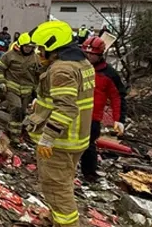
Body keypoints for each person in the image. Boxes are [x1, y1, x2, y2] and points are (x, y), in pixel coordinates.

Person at [24, 21, 95, 227]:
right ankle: (58, 220)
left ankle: (65, 223)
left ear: (52, 47)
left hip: (60, 142)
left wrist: (47, 138)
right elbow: (72, 99)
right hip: (77, 139)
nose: (38, 52)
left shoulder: (61, 70)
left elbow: (66, 109)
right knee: (63, 184)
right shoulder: (82, 64)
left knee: (56, 189)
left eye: (41, 48)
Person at [80, 36, 127, 183]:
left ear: (100, 55)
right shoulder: (77, 67)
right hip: (74, 112)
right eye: (86, 54)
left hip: (93, 117)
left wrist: (119, 119)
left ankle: (89, 174)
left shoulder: (109, 74)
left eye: (92, 54)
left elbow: (117, 97)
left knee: (88, 146)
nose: (88, 57)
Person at [0, 32, 40, 141]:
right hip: (11, 87)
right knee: (16, 107)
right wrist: (1, 82)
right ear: (20, 45)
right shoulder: (10, 55)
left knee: (23, 113)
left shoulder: (35, 58)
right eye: (26, 46)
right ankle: (13, 135)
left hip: (27, 91)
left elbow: (38, 75)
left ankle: (15, 132)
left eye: (30, 47)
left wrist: (37, 90)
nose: (28, 49)